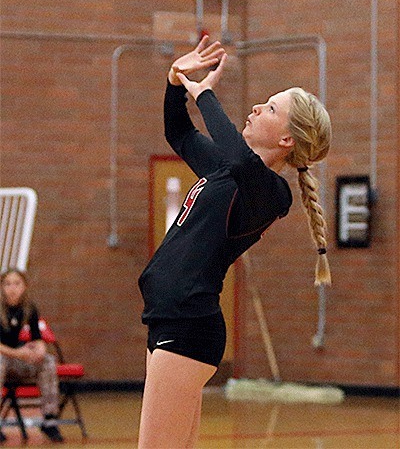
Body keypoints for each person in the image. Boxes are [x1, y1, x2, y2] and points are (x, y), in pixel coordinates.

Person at [137, 36, 332, 448]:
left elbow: (239, 158)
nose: (258, 107)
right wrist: (176, 81)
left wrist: (204, 91)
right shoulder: (227, 170)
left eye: (272, 108)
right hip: (168, 319)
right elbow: (180, 134)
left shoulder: (270, 192)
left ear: (287, 141)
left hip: (188, 325)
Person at [0, 269, 64, 443]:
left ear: (25, 287)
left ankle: (49, 420)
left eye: (17, 283)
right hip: (4, 359)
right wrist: (18, 353)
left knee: (47, 361)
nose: (12, 288)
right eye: (7, 284)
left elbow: (37, 338)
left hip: (17, 361)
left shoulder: (29, 308)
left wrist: (40, 350)